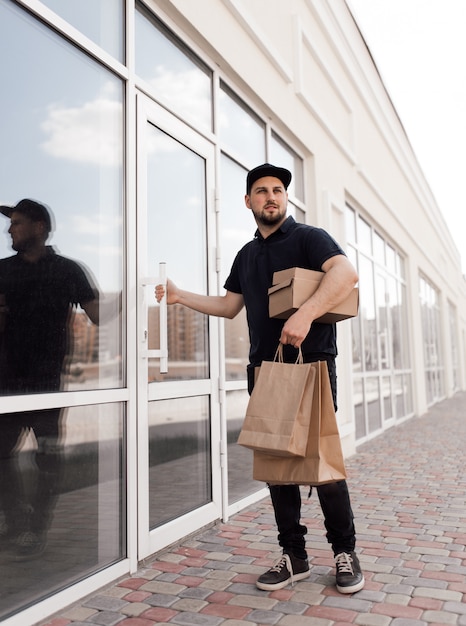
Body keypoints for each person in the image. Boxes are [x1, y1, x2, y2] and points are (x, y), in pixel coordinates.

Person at [155, 163, 365, 594]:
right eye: (261, 191)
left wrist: (305, 315)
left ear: (285, 199)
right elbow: (229, 306)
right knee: (278, 466)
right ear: (248, 201)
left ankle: (345, 552)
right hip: (265, 370)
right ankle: (294, 556)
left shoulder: (309, 237)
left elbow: (346, 274)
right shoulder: (246, 256)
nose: (271, 196)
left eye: (277, 190)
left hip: (311, 365)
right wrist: (179, 297)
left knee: (321, 463)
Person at [0, 199, 108, 559]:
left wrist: (138, 295)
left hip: (47, 385)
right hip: (6, 385)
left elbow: (99, 316)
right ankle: (16, 521)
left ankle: (36, 528)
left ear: (39, 227)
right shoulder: (2, 271)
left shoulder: (67, 271)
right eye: (10, 223)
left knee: (47, 458)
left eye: (16, 223)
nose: (9, 229)